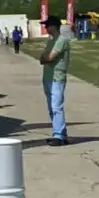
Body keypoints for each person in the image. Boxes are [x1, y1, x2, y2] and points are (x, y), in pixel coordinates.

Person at [38, 16, 73, 145]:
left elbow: (49, 57)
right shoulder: (51, 41)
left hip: (57, 78)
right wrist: (45, 58)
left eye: (47, 25)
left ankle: (59, 135)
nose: (46, 28)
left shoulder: (61, 40)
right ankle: (59, 133)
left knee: (56, 107)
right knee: (51, 108)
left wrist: (46, 58)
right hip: (47, 77)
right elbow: (42, 58)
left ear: (53, 26)